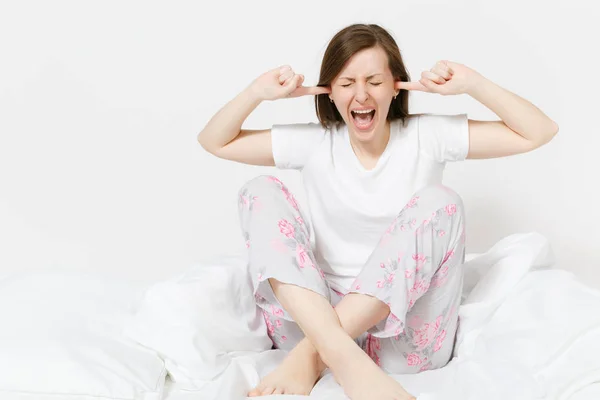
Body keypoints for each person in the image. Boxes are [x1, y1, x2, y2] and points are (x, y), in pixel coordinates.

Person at [197, 23, 558, 400]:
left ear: (396, 86)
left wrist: (473, 84)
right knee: (260, 191)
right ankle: (344, 358)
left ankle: (316, 356)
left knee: (442, 202)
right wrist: (256, 92)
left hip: (405, 343)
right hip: (308, 323)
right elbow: (214, 141)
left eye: (374, 80)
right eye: (347, 82)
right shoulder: (314, 142)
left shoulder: (428, 136)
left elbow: (539, 131)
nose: (361, 94)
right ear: (329, 91)